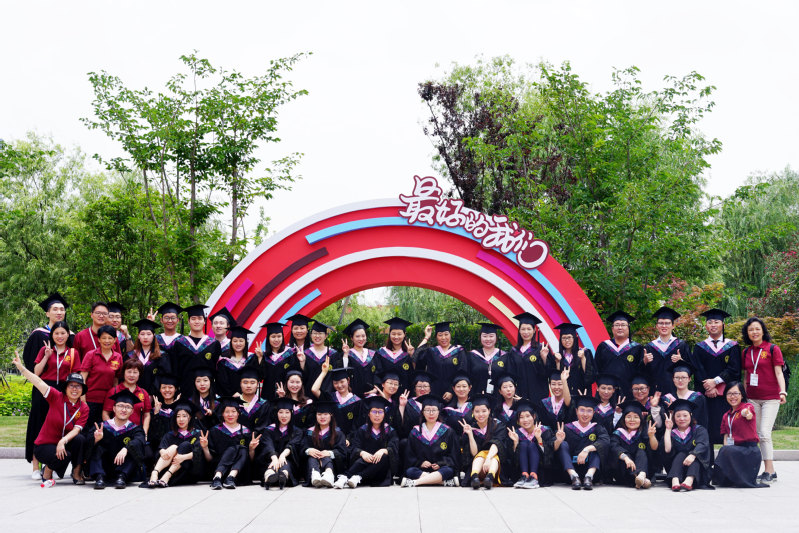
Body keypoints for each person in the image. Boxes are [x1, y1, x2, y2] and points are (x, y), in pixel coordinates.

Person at [13, 354, 88, 487]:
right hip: (45, 445)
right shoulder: (56, 397)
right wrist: (21, 368)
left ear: (82, 390)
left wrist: (63, 441)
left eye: (78, 386)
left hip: (63, 443)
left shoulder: (84, 407)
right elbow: (38, 382)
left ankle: (77, 473)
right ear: (66, 388)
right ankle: (48, 470)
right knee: (65, 456)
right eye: (71, 386)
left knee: (80, 439)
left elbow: (77, 430)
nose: (74, 389)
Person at [25, 321, 80, 477]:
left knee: (58, 427)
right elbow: (36, 372)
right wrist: (46, 356)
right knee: (39, 425)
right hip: (44, 389)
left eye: (63, 333)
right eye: (56, 333)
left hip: (62, 391)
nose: (60, 336)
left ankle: (53, 464)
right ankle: (35, 467)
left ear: (68, 335)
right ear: (52, 335)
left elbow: (75, 375)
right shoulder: (45, 349)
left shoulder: (73, 353)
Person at [740, 317, 787, 483]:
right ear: (747, 333)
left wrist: (783, 392)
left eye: (757, 329)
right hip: (752, 398)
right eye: (751, 329)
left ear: (763, 331)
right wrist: (744, 397)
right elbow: (746, 376)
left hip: (771, 398)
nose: (754, 332)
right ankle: (769, 471)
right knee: (758, 435)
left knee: (765, 433)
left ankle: (769, 470)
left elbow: (779, 372)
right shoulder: (746, 352)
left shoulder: (773, 349)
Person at [692, 308, 741, 448]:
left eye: (716, 322)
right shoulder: (699, 347)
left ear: (723, 325)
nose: (713, 325)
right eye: (710, 322)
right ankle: (707, 461)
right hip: (706, 396)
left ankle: (728, 459)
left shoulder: (732, 346)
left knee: (727, 429)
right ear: (706, 326)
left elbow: (734, 369)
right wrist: (708, 388)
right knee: (706, 429)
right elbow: (697, 370)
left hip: (726, 396)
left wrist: (715, 382)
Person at [712, 382, 767, 488]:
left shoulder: (747, 406)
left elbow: (748, 414)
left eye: (736, 393)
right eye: (729, 394)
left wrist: (746, 413)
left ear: (742, 395)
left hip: (749, 451)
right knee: (724, 450)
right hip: (734, 451)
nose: (732, 397)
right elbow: (726, 437)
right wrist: (726, 454)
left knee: (725, 451)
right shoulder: (726, 416)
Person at [89, 389, 146, 489]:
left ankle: (121, 477)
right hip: (104, 467)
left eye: (128, 407)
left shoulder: (135, 429)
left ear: (132, 411)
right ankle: (99, 477)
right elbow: (87, 444)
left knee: (134, 448)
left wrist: (126, 448)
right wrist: (96, 439)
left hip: (125, 468)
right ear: (114, 408)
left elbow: (140, 440)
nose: (124, 410)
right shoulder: (102, 427)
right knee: (96, 447)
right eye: (120, 406)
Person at [339, 395, 399, 488]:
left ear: (384, 414)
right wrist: (362, 453)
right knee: (361, 459)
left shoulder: (390, 431)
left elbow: (394, 448)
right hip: (364, 464)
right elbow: (354, 447)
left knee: (384, 457)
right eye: (374, 411)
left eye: (380, 412)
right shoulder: (362, 430)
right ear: (368, 413)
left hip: (381, 471)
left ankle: (356, 477)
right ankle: (346, 477)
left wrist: (383, 450)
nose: (377, 415)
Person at [401, 394, 459, 487]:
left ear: (438, 412)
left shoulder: (447, 431)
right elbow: (410, 456)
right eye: (427, 410)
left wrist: (440, 463)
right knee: (410, 471)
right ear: (423, 412)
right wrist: (420, 463)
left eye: (434, 410)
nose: (431, 413)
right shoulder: (415, 432)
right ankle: (442, 482)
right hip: (422, 469)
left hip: (441, 468)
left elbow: (453, 455)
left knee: (448, 470)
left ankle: (415, 482)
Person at [554, 395, 609, 490]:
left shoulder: (597, 428)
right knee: (562, 444)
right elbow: (553, 448)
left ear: (593, 413)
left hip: (592, 472)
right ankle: (574, 477)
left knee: (597, 447)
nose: (585, 414)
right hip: (569, 472)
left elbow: (605, 442)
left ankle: (588, 477)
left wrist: (586, 449)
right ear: (576, 411)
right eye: (582, 410)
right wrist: (558, 441)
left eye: (589, 411)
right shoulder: (566, 428)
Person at [201, 396, 256, 489]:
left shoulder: (246, 431)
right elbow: (210, 460)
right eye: (227, 412)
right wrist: (205, 447)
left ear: (238, 413)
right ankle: (220, 477)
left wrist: (251, 449)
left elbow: (250, 459)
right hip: (218, 467)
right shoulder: (215, 431)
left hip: (240, 473)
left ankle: (228, 477)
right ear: (222, 413)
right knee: (237, 448)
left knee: (242, 449)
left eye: (233, 411)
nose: (230, 415)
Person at [145, 402, 203, 487]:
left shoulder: (197, 433)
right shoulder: (170, 434)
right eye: (178, 416)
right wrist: (163, 452)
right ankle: (154, 473)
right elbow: (161, 448)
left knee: (185, 445)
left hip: (187, 472)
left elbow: (199, 452)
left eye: (184, 416)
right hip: (167, 468)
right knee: (173, 447)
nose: (181, 419)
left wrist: (183, 457)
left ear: (190, 417)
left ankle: (168, 475)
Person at [459, 394, 510, 489]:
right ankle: (474, 477)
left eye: (484, 411)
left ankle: (489, 478)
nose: (480, 414)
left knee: (493, 457)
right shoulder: (471, 427)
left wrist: (488, 459)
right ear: (472, 412)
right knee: (480, 455)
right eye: (477, 411)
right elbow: (474, 453)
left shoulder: (498, 425)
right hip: (477, 466)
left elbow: (497, 444)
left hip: (495, 466)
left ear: (489, 411)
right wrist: (470, 435)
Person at [661, 399, 712, 491]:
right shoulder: (672, 433)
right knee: (681, 454)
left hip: (698, 473)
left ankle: (689, 480)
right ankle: (675, 480)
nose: (682, 419)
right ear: (674, 417)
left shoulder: (699, 430)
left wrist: (693, 455)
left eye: (685, 415)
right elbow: (667, 450)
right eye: (678, 416)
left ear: (691, 415)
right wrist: (668, 429)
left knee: (695, 457)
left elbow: (702, 444)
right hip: (677, 469)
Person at [79, 324, 123, 429]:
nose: (107, 341)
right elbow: (82, 378)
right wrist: (83, 401)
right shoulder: (91, 355)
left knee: (105, 430)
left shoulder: (118, 357)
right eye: (103, 338)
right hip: (90, 400)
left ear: (115, 340)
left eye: (110, 338)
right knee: (87, 429)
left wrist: (115, 399)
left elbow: (116, 379)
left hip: (108, 401)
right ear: (99, 339)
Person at [172, 304, 222, 397]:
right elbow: (175, 370)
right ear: (188, 321)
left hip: (208, 394)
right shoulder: (180, 344)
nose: (196, 321)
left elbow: (217, 371)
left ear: (204, 321)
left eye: (199, 318)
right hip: (185, 392)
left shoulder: (214, 344)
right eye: (193, 319)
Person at [642, 307, 691, 395]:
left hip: (676, 392)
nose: (664, 326)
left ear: (673, 326)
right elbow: (641, 373)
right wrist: (644, 362)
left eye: (667, 323)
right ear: (657, 326)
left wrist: (681, 361)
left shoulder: (681, 345)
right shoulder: (649, 347)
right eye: (661, 323)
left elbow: (691, 368)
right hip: (654, 393)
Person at [593, 310, 643, 397]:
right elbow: (596, 369)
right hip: (606, 395)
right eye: (617, 325)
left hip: (629, 394)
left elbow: (640, 373)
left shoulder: (637, 348)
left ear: (628, 328)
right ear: (612, 329)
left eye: (623, 325)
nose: (620, 328)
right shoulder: (603, 346)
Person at [610, 401, 658, 488]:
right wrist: (626, 458)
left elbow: (654, 448)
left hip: (644, 467)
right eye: (628, 417)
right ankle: (642, 479)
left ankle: (641, 476)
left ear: (640, 419)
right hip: (623, 472)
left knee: (641, 452)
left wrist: (651, 436)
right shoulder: (618, 433)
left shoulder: (643, 432)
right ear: (624, 419)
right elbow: (614, 447)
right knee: (625, 454)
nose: (632, 420)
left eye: (636, 417)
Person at [258, 397, 304, 489]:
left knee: (286, 464)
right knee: (271, 465)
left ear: (291, 413)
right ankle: (269, 477)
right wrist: (274, 457)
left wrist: (282, 455)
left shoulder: (297, 431)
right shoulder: (269, 430)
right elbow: (268, 445)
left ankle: (282, 477)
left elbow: (293, 444)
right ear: (276, 413)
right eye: (281, 412)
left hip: (288, 461)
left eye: (287, 412)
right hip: (271, 460)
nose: (284, 416)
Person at [301, 399, 348, 488]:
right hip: (312, 463)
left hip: (333, 465)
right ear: (315, 416)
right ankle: (315, 475)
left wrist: (330, 453)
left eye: (325, 414)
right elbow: (302, 448)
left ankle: (328, 474)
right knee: (312, 457)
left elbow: (343, 453)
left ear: (331, 415)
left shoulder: (338, 433)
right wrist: (308, 450)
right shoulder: (309, 432)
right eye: (319, 414)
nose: (322, 417)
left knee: (326, 456)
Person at [507, 400, 554, 489]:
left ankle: (534, 477)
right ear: (518, 420)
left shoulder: (544, 431)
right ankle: (524, 475)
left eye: (528, 416)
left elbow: (549, 456)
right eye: (521, 417)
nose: (525, 420)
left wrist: (539, 438)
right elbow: (512, 460)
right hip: (520, 472)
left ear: (534, 416)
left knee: (532, 445)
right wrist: (516, 442)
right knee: (523, 444)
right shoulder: (516, 434)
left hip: (541, 473)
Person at [414, 321, 467, 399]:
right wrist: (426, 337)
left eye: (446, 334)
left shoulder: (459, 351)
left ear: (450, 335)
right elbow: (417, 356)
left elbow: (462, 372)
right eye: (440, 335)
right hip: (433, 394)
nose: (443, 338)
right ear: (436, 337)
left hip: (453, 394)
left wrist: (451, 391)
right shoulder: (431, 351)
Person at [102, 359, 152, 438]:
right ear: (124, 373)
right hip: (118, 434)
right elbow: (105, 413)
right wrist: (111, 430)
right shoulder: (114, 391)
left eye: (135, 372)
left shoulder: (143, 393)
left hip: (137, 434)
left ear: (139, 374)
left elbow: (147, 415)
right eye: (129, 372)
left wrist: (144, 433)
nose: (132, 375)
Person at [252, 322, 301, 400]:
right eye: (273, 337)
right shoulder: (263, 355)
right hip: (267, 396)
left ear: (282, 337)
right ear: (268, 338)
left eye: (279, 336)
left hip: (286, 395)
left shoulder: (290, 353)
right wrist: (260, 358)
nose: (276, 339)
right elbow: (260, 376)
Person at [312, 364, 362, 439]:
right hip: (330, 438)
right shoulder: (330, 397)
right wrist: (323, 373)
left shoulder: (357, 402)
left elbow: (357, 425)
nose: (339, 385)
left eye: (342, 382)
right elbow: (314, 389)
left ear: (348, 380)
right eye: (335, 383)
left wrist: (348, 439)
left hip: (348, 440)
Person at [509, 312, 549, 402]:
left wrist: (544, 359)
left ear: (534, 330)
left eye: (529, 329)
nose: (526, 332)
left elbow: (547, 374)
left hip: (538, 395)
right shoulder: (514, 351)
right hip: (520, 394)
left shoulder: (541, 349)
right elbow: (511, 374)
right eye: (523, 329)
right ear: (519, 331)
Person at [126, 318, 170, 397]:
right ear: (138, 336)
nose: (145, 337)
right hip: (132, 395)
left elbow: (163, 377)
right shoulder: (131, 355)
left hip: (154, 396)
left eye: (149, 334)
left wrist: (152, 395)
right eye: (142, 334)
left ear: (153, 335)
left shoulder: (161, 356)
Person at [660, 360, 708, 429]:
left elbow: (703, 421)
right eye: (677, 377)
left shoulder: (698, 398)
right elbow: (662, 425)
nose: (680, 380)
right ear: (673, 379)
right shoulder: (666, 399)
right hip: (672, 434)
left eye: (683, 377)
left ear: (689, 379)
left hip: (695, 434)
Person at [466, 322, 511, 395]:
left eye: (491, 336)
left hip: (499, 397)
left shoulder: (504, 356)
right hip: (477, 396)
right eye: (485, 336)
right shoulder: (472, 355)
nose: (488, 339)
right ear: (480, 337)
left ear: (496, 337)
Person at [146, 373, 181, 464]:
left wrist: (176, 406)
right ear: (160, 390)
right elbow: (153, 435)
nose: (167, 390)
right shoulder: (155, 409)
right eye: (164, 387)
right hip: (159, 447)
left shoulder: (181, 409)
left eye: (170, 387)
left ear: (175, 389)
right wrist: (156, 413)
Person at [551, 322, 594, 396]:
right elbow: (556, 379)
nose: (567, 340)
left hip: (582, 394)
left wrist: (583, 358)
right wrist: (557, 362)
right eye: (564, 338)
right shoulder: (558, 356)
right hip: (564, 395)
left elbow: (590, 377)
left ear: (575, 337)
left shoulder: (585, 353)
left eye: (569, 337)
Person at [375, 317, 416, 395]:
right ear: (389, 334)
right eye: (393, 334)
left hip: (404, 394)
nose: (396, 337)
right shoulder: (381, 353)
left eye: (399, 334)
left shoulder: (408, 353)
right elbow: (377, 373)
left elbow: (413, 374)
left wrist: (411, 356)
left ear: (404, 335)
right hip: (385, 395)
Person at [337, 318, 376, 397]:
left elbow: (378, 373)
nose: (361, 339)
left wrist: (376, 388)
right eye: (357, 336)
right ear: (352, 338)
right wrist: (346, 354)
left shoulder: (373, 354)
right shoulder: (347, 354)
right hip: (353, 395)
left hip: (371, 395)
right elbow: (343, 372)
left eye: (363, 336)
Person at [215, 326, 255, 397]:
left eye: (241, 341)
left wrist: (241, 393)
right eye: (235, 341)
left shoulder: (251, 359)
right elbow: (222, 381)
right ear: (231, 342)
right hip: (226, 398)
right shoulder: (223, 359)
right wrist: (232, 394)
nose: (238, 344)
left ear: (245, 342)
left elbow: (253, 378)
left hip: (246, 397)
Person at [302, 320, 337, 396]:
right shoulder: (305, 354)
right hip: (308, 395)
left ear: (326, 336)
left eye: (320, 333)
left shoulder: (333, 354)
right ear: (311, 335)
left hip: (327, 396)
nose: (317, 336)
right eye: (315, 333)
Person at [237, 366, 271, 432]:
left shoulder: (264, 405)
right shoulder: (233, 403)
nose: (248, 386)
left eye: (252, 383)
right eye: (245, 382)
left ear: (257, 384)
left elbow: (264, 427)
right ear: (240, 384)